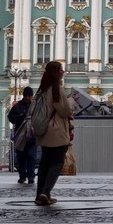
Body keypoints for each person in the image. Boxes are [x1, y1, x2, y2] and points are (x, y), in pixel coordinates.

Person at [35, 60, 73, 206]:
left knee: (45, 164)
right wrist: (71, 102)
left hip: (44, 131)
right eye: (61, 70)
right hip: (56, 131)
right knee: (57, 163)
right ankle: (46, 191)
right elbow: (64, 110)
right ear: (56, 73)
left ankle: (40, 195)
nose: (63, 72)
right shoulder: (57, 89)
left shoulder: (42, 89)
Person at [8, 86, 37, 185]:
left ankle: (31, 176)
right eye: (27, 96)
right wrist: (21, 117)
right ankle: (22, 176)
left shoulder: (35, 106)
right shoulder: (18, 106)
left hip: (32, 136)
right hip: (21, 135)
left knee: (31, 157)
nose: (29, 98)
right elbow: (11, 117)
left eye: (30, 96)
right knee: (21, 158)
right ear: (24, 96)